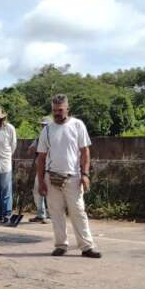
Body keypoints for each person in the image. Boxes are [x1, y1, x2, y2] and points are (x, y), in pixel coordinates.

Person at [36, 94, 101, 258]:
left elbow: (85, 151)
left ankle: (87, 247)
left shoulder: (78, 125)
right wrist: (41, 182)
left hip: (73, 177)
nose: (57, 113)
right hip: (52, 178)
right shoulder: (47, 129)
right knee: (56, 213)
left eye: (60, 110)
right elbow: (41, 157)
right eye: (54, 110)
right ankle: (60, 245)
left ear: (67, 109)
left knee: (78, 211)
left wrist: (85, 174)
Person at [27, 116, 51, 224]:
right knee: (37, 191)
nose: (43, 127)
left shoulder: (54, 137)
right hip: (40, 168)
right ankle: (41, 214)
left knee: (51, 193)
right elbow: (30, 150)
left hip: (51, 169)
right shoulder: (38, 138)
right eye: (42, 125)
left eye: (45, 125)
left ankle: (51, 215)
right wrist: (35, 147)